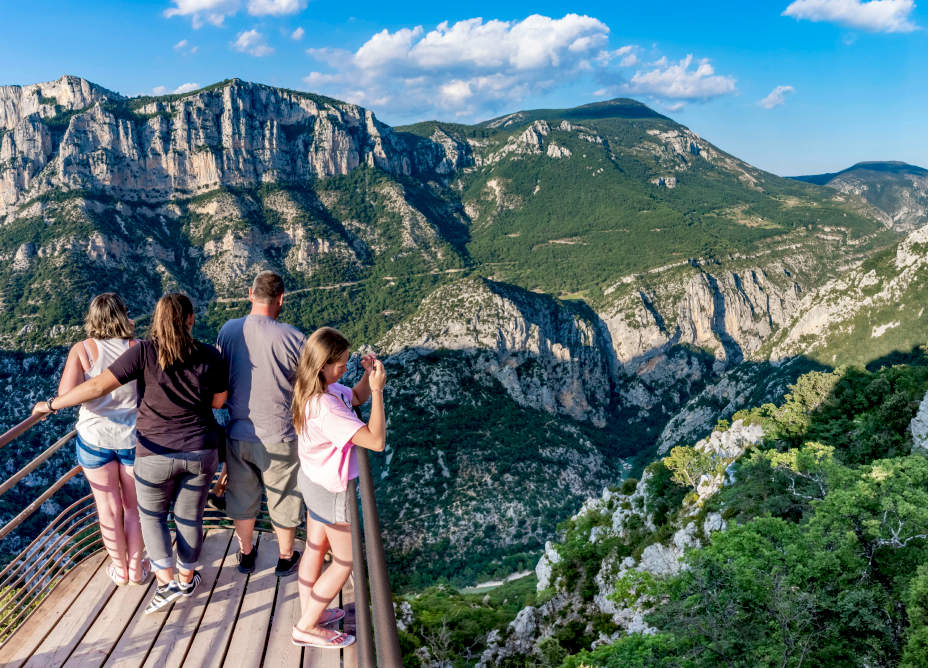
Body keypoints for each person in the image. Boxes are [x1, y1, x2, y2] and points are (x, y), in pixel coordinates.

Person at [34, 293, 228, 614]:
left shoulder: (144, 352)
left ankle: (159, 581)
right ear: (191, 320)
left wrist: (51, 405)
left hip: (150, 450)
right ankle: (184, 577)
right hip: (196, 448)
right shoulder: (209, 354)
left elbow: (96, 387)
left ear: (157, 320)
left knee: (145, 514)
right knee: (185, 516)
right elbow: (219, 402)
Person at [290, 327, 386, 650]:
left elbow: (353, 396)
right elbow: (375, 440)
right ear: (324, 366)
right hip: (331, 492)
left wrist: (365, 377)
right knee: (344, 562)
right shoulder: (326, 407)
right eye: (342, 365)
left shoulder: (317, 389)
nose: (346, 368)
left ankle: (311, 611)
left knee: (315, 548)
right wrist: (378, 391)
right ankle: (305, 627)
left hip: (312, 481)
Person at [216, 271, 305, 577]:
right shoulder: (294, 338)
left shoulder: (228, 331)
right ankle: (284, 557)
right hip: (280, 434)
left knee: (242, 497)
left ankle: (246, 554)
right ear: (281, 299)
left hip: (238, 432)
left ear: (250, 295)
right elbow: (308, 387)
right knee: (283, 496)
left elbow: (220, 379)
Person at [57, 293, 146, 586]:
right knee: (135, 507)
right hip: (133, 438)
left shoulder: (82, 350)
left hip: (95, 438)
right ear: (123, 315)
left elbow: (65, 396)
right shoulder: (138, 347)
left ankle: (119, 570)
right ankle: (136, 569)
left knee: (108, 507)